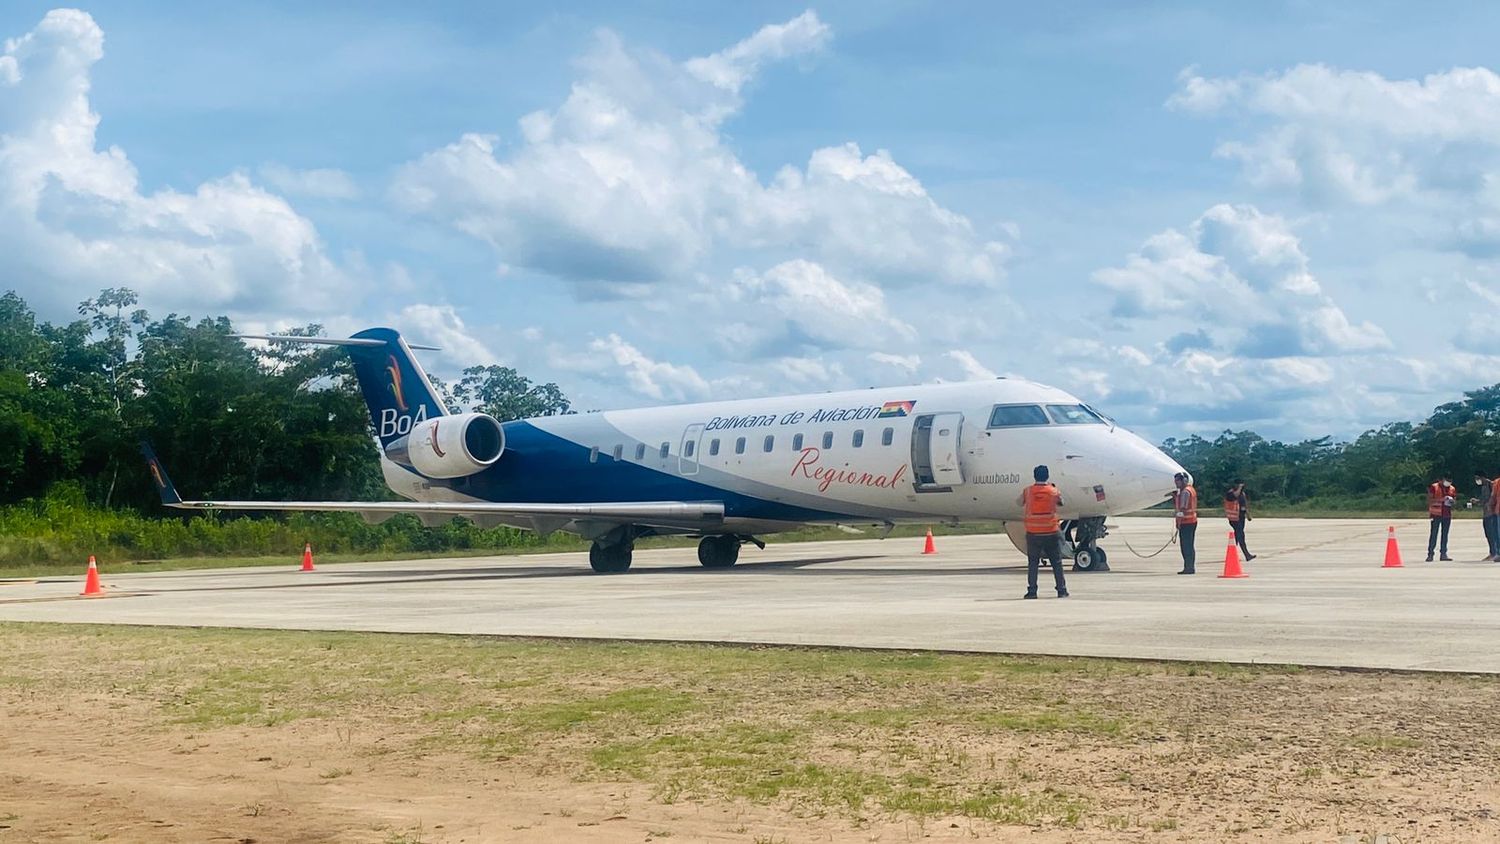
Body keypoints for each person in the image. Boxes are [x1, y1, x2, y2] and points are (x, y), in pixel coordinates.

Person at [1017, 465, 1068, 599]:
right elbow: (1062, 503)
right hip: (1051, 531)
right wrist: (1055, 490)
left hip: (1033, 533)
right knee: (1056, 563)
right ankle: (1061, 590)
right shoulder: (1053, 491)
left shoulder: (1028, 491)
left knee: (1033, 563)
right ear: (1047, 476)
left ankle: (1032, 591)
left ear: (1035, 476)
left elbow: (1018, 503)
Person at [1223, 480, 1255, 562]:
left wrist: (1248, 514)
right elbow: (1235, 495)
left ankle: (1232, 553)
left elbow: (1244, 504)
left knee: (1237, 535)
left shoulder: (1242, 494)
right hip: (1234, 519)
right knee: (1240, 535)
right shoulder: (1230, 493)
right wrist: (1239, 488)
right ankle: (1246, 554)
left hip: (1241, 517)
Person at [1426, 476, 1456, 562]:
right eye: (1447, 480)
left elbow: (1454, 499)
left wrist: (1452, 501)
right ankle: (1430, 554)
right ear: (1442, 480)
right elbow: (1430, 500)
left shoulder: (1452, 488)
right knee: (1434, 534)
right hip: (1436, 514)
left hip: (1447, 515)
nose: (1448, 483)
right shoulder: (1434, 487)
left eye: (1450, 481)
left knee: (1445, 535)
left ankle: (1443, 554)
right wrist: (1441, 500)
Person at [1173, 472, 1198, 574]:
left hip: (1186, 522)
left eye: (1178, 481)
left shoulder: (1185, 492)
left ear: (1184, 480)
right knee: (1189, 545)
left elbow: (1182, 508)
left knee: (1186, 546)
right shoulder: (1190, 490)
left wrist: (1178, 521)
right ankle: (1189, 566)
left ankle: (1189, 567)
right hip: (1191, 521)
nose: (1176, 484)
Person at [1478, 473, 1500, 562]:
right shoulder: (1495, 483)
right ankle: (1495, 553)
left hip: (1494, 512)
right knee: (1493, 534)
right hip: (1495, 511)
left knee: (1496, 533)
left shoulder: (1494, 483)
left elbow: (1492, 497)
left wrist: (1490, 507)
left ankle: (1496, 553)